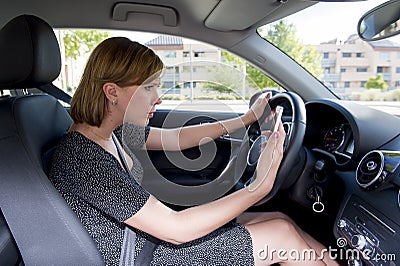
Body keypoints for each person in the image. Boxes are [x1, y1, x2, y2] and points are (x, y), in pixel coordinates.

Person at [49, 37, 337, 266]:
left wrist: (248, 118)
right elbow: (175, 230)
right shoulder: (81, 157)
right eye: (149, 88)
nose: (158, 98)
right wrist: (257, 188)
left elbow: (178, 137)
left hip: (146, 240)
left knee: (279, 219)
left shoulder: (114, 132)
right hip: (141, 257)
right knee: (281, 236)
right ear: (112, 92)